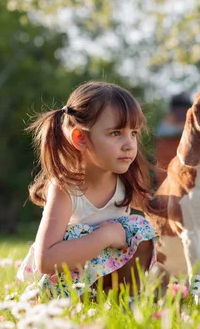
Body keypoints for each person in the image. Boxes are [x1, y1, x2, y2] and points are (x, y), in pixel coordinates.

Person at [17, 81, 158, 298]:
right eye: (116, 133)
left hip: (109, 281)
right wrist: (106, 235)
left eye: (134, 133)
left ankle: (127, 297)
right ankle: (78, 299)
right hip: (67, 285)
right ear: (80, 138)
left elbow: (157, 210)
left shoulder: (127, 179)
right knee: (122, 229)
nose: (129, 144)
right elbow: (45, 261)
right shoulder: (66, 188)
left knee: (140, 229)